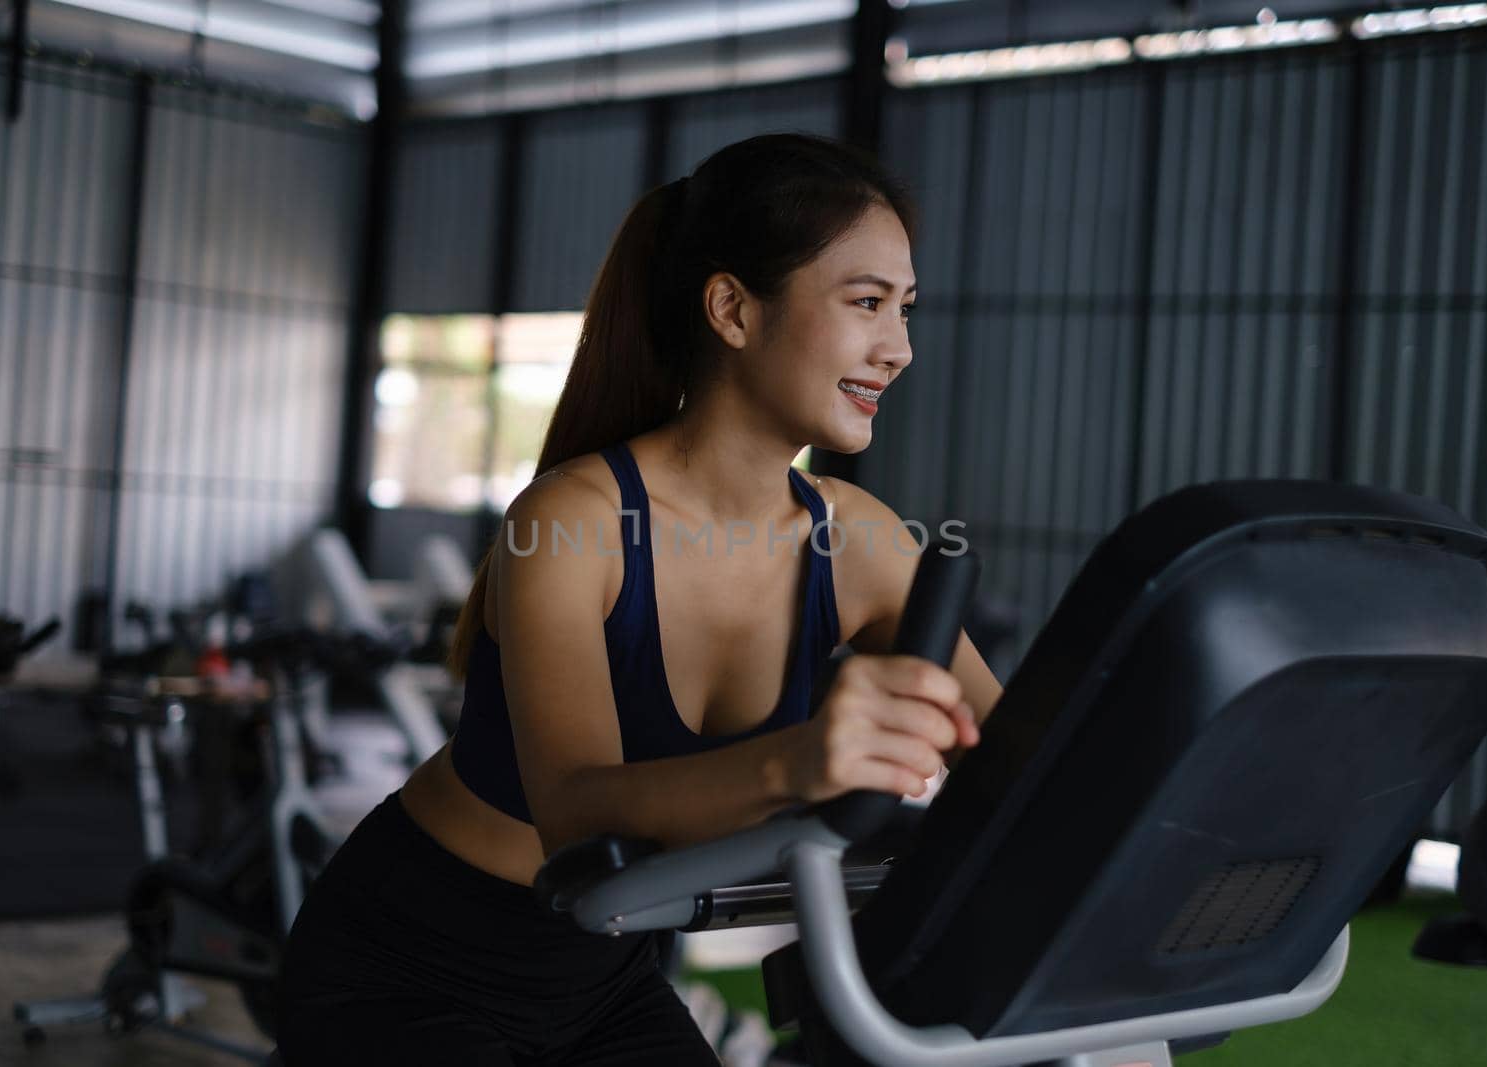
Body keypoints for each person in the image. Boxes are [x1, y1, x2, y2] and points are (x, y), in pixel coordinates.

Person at [276, 132, 1005, 1066]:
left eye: (905, 309)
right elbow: (578, 815)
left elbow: (1024, 750)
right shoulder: (569, 522)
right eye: (866, 303)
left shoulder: (856, 536)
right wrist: (807, 761)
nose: (899, 348)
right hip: (410, 961)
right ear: (733, 310)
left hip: (605, 971)